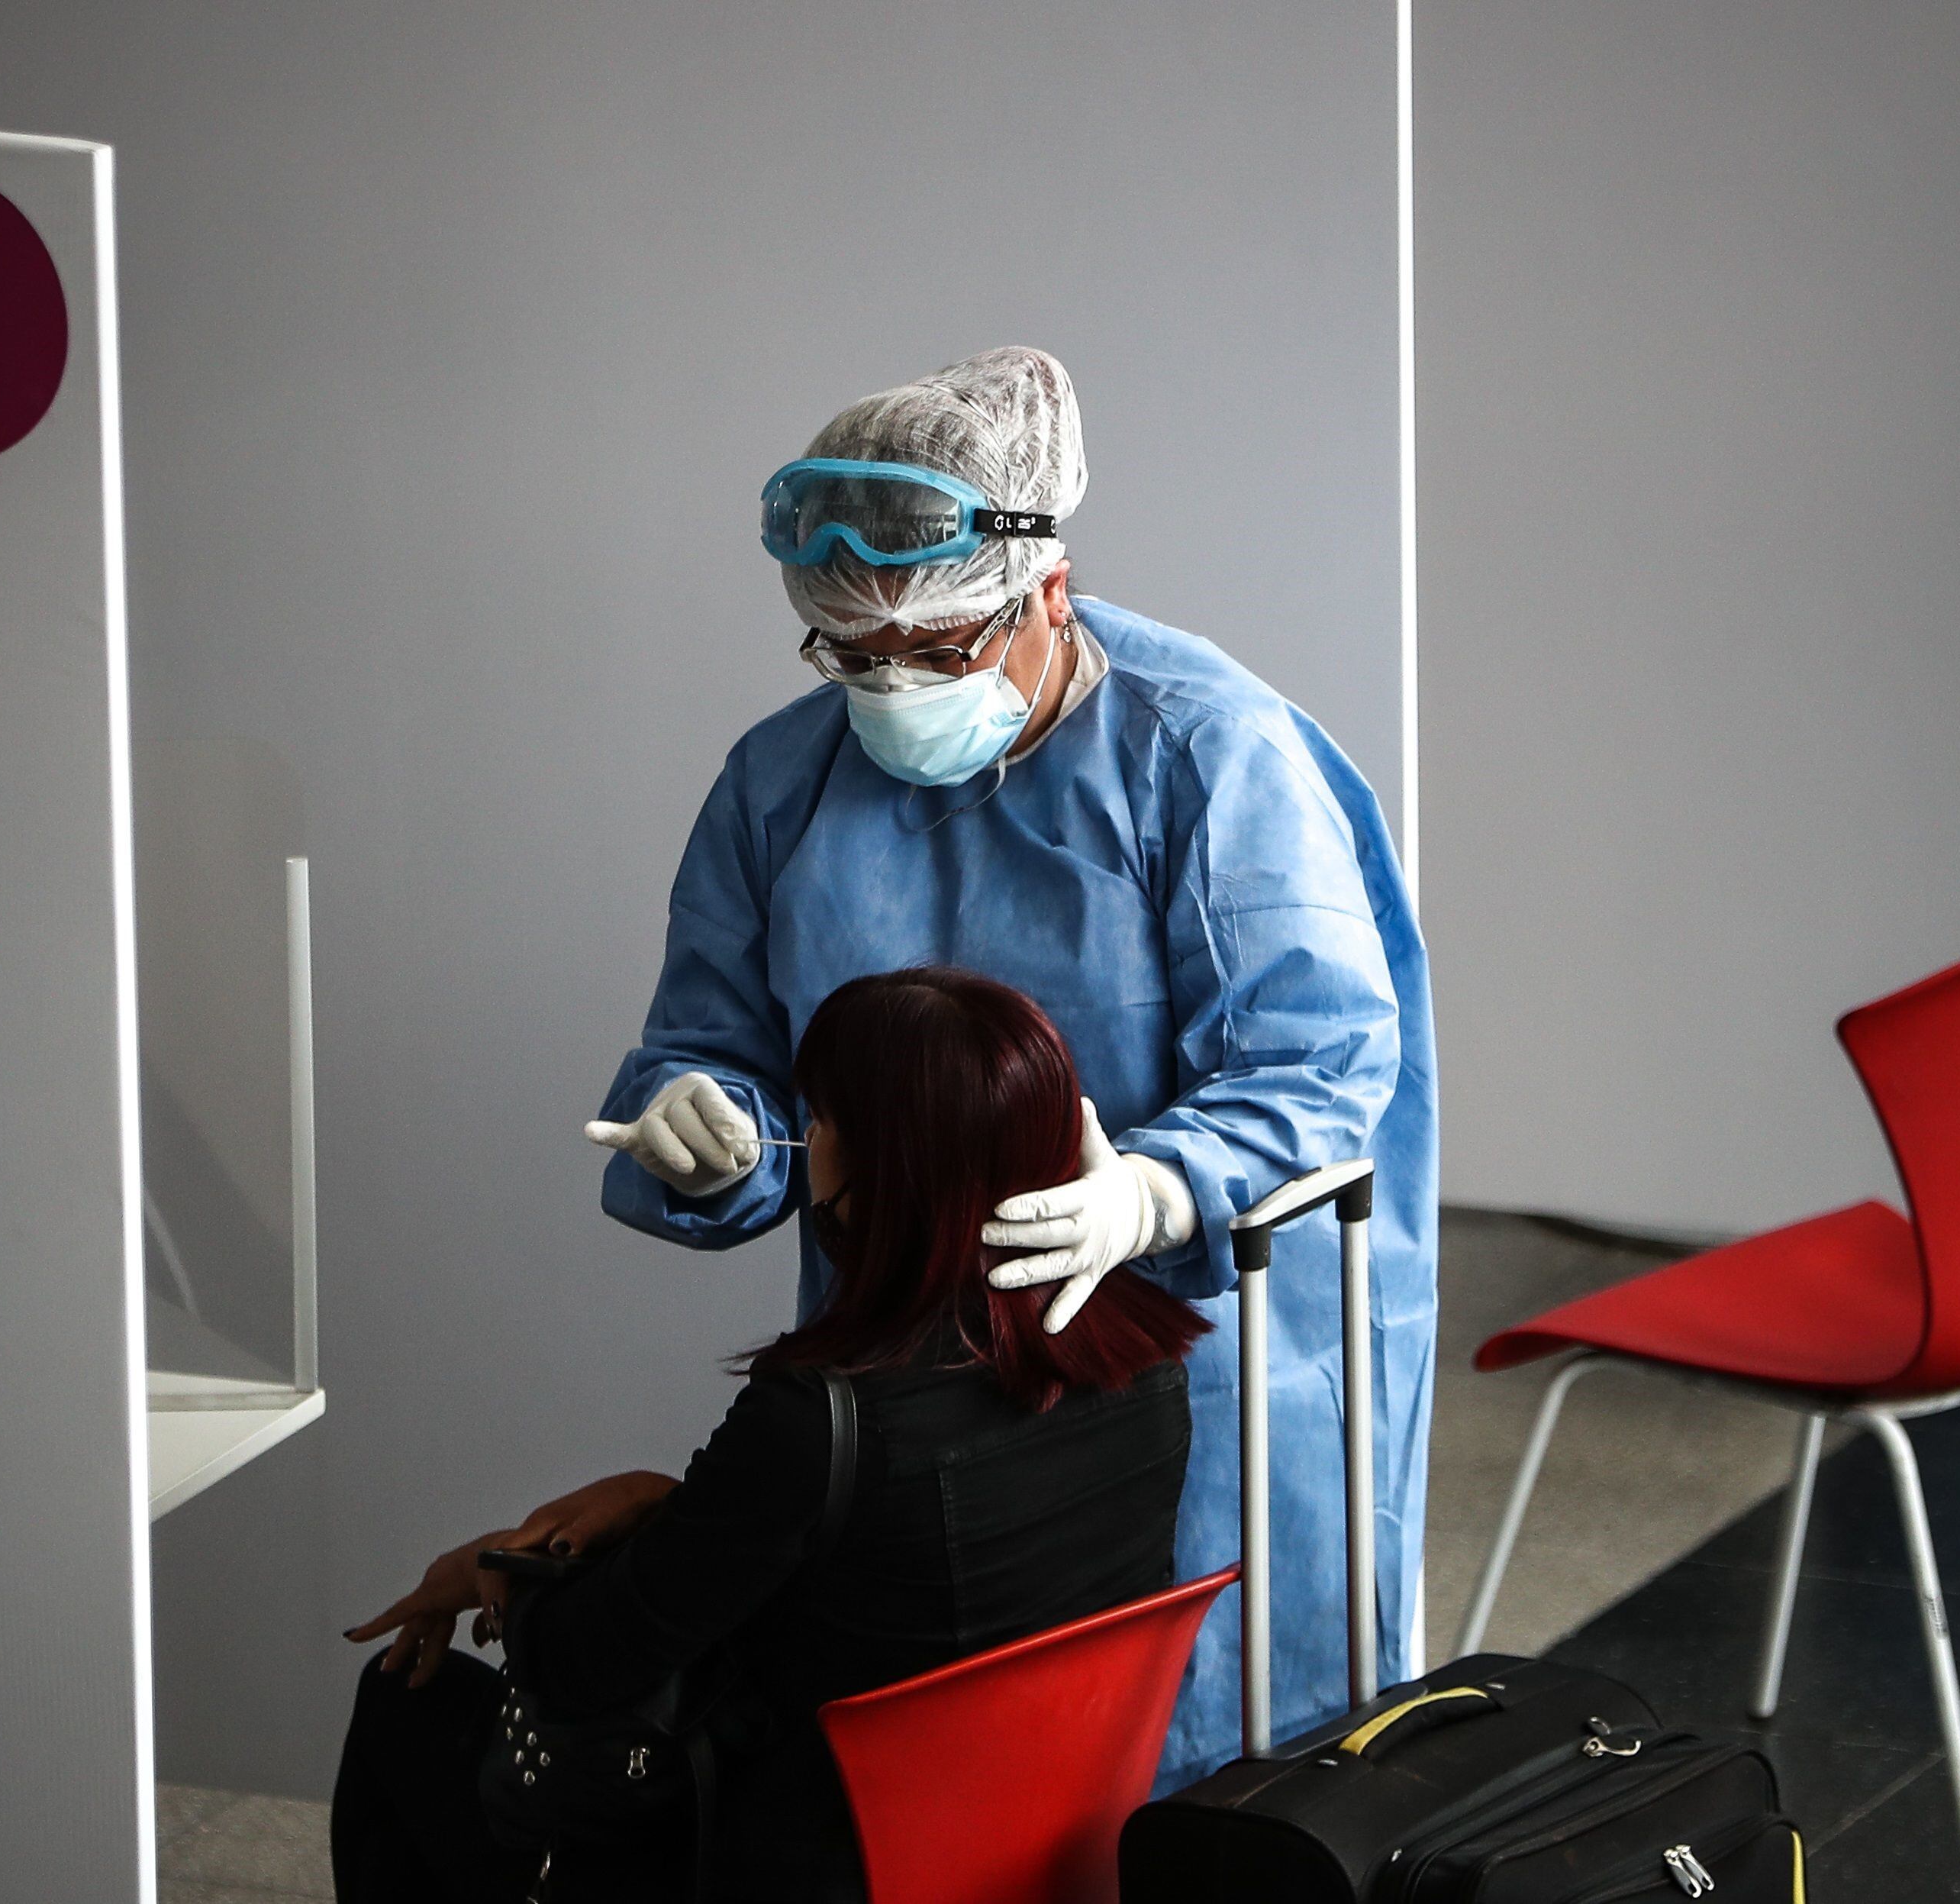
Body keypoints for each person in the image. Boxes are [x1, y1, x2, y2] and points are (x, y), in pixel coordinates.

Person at [585, 346, 1436, 1786]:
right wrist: (709, 1127)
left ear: (1048, 594)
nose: (895, 686)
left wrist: (1158, 1194)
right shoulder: (781, 783)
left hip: (1191, 1353)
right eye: (857, 657)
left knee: (1209, 1774)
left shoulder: (1205, 752)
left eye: (940, 651)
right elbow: (712, 1046)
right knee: (942, 1777)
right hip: (915, 1382)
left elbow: (1321, 1067)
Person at [337, 968, 1205, 1902]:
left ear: (887, 1168)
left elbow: (580, 1661)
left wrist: (493, 1568)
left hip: (793, 1864)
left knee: (403, 1712)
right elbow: (875, 1567)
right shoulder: (1148, 1374)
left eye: (822, 1120)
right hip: (1021, 1868)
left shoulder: (823, 1419)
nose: (805, 1143)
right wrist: (671, 1500)